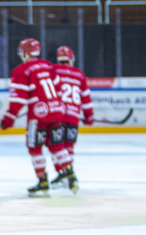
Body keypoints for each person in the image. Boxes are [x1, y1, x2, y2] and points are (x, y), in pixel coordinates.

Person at [0, 38, 70, 197]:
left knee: (34, 147)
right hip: (55, 112)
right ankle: (71, 174)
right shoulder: (49, 65)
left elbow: (18, 99)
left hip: (37, 117)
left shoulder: (21, 70)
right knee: (57, 145)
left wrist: (9, 117)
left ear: (25, 52)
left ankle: (42, 182)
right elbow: (59, 90)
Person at [51, 45, 94, 194]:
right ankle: (68, 172)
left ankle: (63, 173)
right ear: (72, 58)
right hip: (74, 116)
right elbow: (86, 99)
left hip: (58, 115)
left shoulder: (53, 70)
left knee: (56, 146)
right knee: (69, 147)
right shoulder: (80, 75)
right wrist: (89, 116)